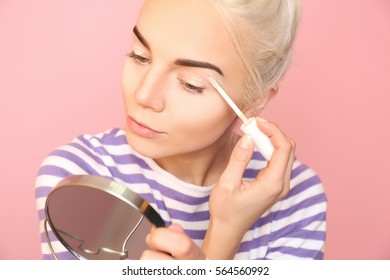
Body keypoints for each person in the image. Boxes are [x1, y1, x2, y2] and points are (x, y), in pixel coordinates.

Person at [35, 0, 327, 260]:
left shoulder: (295, 198)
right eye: (139, 56)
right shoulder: (80, 179)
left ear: (254, 100)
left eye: (190, 83)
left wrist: (229, 224)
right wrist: (221, 240)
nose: (145, 95)